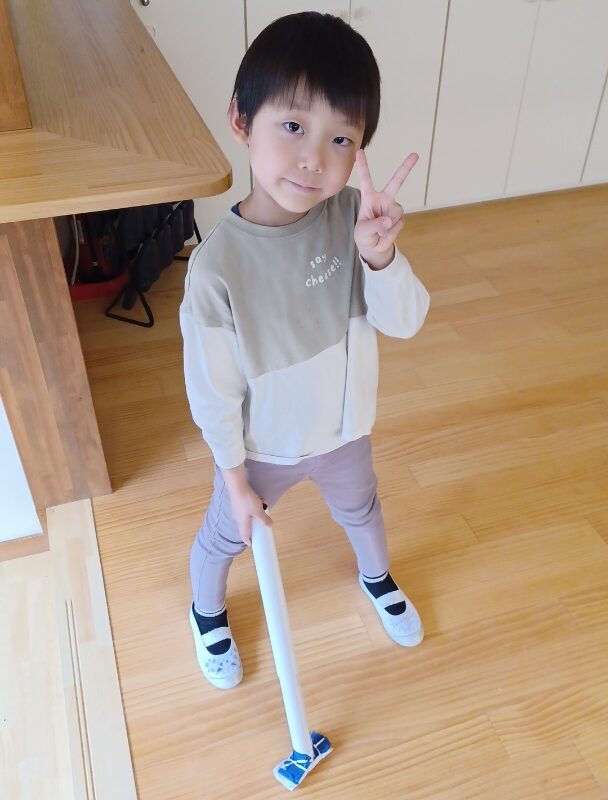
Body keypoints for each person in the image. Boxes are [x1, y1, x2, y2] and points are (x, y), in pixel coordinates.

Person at [180, 11, 430, 689]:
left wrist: (380, 258)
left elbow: (406, 322)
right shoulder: (216, 269)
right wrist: (235, 480)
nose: (315, 158)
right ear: (241, 121)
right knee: (228, 533)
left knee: (363, 509)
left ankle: (377, 577)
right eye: (293, 126)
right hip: (263, 450)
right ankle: (206, 611)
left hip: (345, 433)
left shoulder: (354, 220)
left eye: (340, 137)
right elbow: (213, 391)